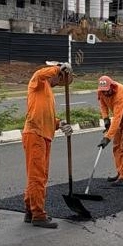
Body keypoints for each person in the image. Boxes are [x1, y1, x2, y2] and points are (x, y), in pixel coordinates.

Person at [21, 62, 74, 229]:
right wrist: (59, 68)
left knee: (39, 175)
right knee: (37, 177)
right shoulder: (38, 81)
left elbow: (47, 116)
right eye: (60, 78)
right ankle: (38, 215)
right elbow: (40, 73)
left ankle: (30, 210)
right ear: (55, 74)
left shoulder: (48, 92)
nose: (60, 82)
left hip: (44, 135)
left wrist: (60, 123)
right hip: (35, 134)